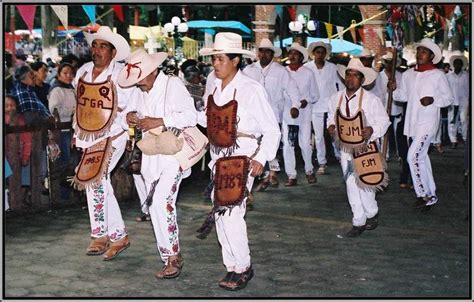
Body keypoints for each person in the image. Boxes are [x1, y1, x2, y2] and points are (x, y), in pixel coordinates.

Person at [198, 32, 280, 290]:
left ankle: (243, 267)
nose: (216, 64)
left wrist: (261, 157)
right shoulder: (213, 87)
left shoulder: (251, 90)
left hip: (244, 156)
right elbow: (207, 119)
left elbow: (272, 129)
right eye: (214, 59)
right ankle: (231, 266)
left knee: (232, 213)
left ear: (235, 60)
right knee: (220, 213)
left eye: (221, 59)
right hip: (218, 157)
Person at [118, 49, 197, 279]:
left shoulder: (173, 85)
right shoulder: (138, 91)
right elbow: (126, 121)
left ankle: (173, 257)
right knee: (154, 207)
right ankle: (168, 256)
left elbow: (191, 117)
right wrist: (129, 118)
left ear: (152, 71)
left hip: (174, 154)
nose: (136, 82)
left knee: (162, 202)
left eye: (139, 76)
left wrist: (161, 120)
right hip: (151, 156)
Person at [71, 26, 132, 260]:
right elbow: (81, 105)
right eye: (94, 45)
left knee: (96, 180)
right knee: (93, 181)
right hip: (89, 136)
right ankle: (108, 234)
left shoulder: (121, 75)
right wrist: (78, 133)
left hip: (114, 135)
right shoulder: (84, 71)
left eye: (102, 46)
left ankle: (108, 234)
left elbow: (128, 107)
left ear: (113, 52)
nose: (96, 50)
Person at [328, 58, 390, 237]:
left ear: (362, 80)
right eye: (349, 74)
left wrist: (372, 130)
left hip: (366, 148)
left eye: (356, 75)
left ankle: (371, 213)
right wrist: (331, 127)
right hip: (345, 149)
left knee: (366, 183)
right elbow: (331, 118)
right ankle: (358, 221)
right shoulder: (335, 99)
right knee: (350, 183)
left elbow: (384, 121)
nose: (351, 78)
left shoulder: (371, 100)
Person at [391, 38, 454, 209]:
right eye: (419, 51)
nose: (420, 54)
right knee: (422, 158)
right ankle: (431, 194)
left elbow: (449, 98)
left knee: (413, 156)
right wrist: (394, 89)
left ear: (432, 56)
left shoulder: (437, 75)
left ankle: (422, 194)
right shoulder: (408, 74)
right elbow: (402, 96)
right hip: (412, 122)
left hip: (428, 123)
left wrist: (433, 99)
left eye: (424, 52)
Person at [243, 38, 299, 191]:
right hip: (252, 117)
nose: (264, 54)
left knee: (272, 142)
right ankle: (265, 173)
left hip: (273, 114)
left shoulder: (280, 71)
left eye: (268, 51)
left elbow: (292, 89)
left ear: (272, 54)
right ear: (258, 53)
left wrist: (295, 105)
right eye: (262, 51)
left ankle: (272, 173)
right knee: (256, 144)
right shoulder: (248, 71)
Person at [304, 41, 344, 175]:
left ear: (326, 54)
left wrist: (340, 102)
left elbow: (341, 86)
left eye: (322, 52)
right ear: (313, 54)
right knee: (319, 137)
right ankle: (322, 162)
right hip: (315, 106)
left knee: (334, 133)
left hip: (331, 106)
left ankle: (340, 156)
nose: (320, 55)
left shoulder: (333, 67)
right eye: (317, 52)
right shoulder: (307, 68)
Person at [283, 42, 319, 186]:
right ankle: (291, 175)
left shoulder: (308, 73)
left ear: (301, 57)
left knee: (305, 144)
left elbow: (315, 95)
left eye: (296, 54)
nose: (292, 56)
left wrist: (305, 101)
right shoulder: (283, 72)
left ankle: (309, 171)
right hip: (288, 115)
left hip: (304, 115)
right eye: (290, 53)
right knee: (288, 144)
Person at [48, 62, 76, 201]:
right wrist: (72, 112)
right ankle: (62, 195)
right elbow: (54, 110)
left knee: (71, 161)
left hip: (72, 129)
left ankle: (69, 192)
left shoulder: (72, 88)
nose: (69, 76)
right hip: (62, 130)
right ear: (59, 74)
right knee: (64, 161)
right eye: (65, 73)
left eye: (71, 73)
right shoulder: (57, 90)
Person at [5, 95, 32, 210]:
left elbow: (27, 140)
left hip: (19, 155)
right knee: (8, 178)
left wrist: (26, 156)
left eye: (12, 105)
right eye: (6, 106)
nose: (10, 108)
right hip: (5, 157)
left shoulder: (21, 120)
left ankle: (19, 201)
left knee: (23, 177)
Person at [446, 51, 469, 149]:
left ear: (462, 65)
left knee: (464, 120)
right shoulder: (448, 76)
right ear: (453, 64)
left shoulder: (467, 76)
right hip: (452, 101)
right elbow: (446, 89)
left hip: (464, 101)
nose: (458, 65)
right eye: (456, 63)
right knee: (452, 121)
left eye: (460, 63)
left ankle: (465, 138)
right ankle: (453, 140)